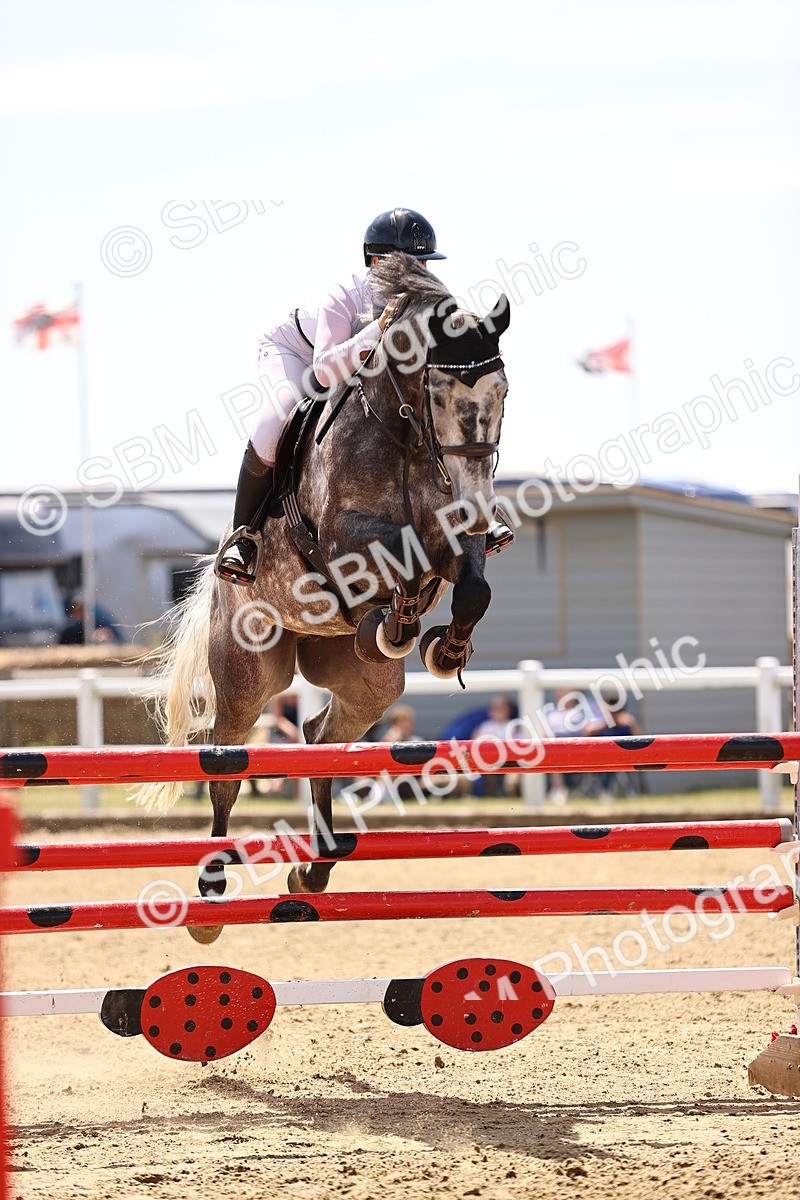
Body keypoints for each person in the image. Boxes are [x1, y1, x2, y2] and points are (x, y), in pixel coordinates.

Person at [215, 207, 515, 585]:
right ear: (376, 261)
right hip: (300, 353)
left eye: (425, 262)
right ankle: (244, 537)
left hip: (354, 366)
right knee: (276, 421)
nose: (421, 272)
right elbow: (323, 370)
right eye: (411, 263)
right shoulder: (346, 295)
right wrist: (378, 329)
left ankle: (477, 514)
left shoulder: (434, 298)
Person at [585, 696, 643, 802]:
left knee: (614, 764)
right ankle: (605, 791)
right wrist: (606, 723)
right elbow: (587, 732)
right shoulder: (601, 723)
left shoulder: (626, 724)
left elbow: (639, 738)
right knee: (608, 764)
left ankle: (607, 792)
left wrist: (630, 722)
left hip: (624, 759)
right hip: (603, 760)